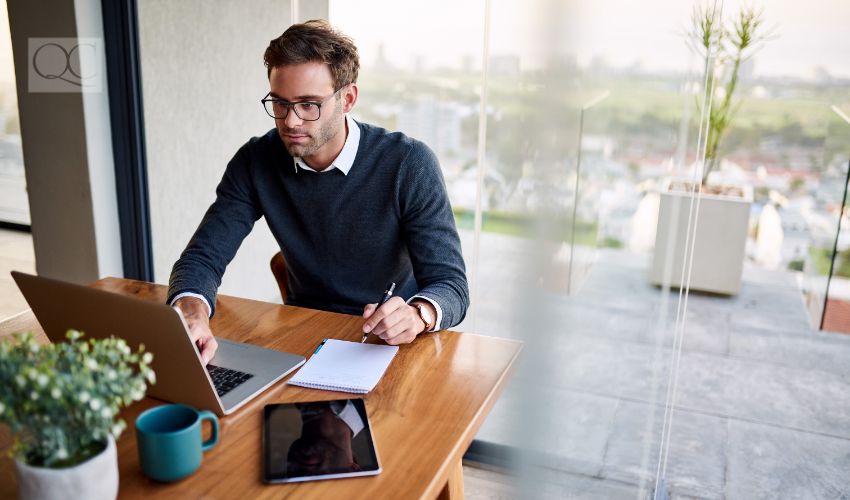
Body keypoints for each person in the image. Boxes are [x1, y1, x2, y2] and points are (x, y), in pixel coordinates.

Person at [167, 20, 469, 364]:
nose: (291, 121)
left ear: (348, 98)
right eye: (280, 103)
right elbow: (203, 256)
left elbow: (451, 286)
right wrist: (190, 310)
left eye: (309, 104)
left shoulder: (408, 163)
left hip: (391, 344)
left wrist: (418, 315)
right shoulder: (255, 161)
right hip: (305, 336)